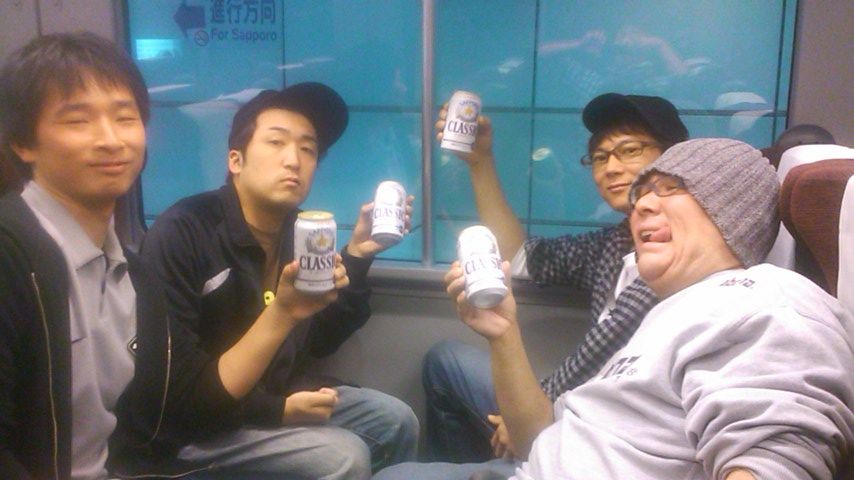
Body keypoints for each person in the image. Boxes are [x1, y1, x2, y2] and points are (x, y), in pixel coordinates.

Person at [378, 138, 854, 480]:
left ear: (729, 208)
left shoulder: (767, 300)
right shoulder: (657, 291)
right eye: (642, 192)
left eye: (671, 187)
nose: (641, 203)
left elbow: (775, 457)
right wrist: (503, 331)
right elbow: (545, 440)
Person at [0, 32, 350, 479]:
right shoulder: (15, 255)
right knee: (341, 457)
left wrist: (299, 301)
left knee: (386, 421)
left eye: (125, 118)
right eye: (78, 120)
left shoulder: (131, 275)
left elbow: (175, 405)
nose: (110, 139)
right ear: (23, 142)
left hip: (141, 461)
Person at [139, 83, 418, 477]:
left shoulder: (300, 231)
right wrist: (276, 411)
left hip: (273, 393)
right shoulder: (184, 233)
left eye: (308, 149)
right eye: (276, 142)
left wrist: (357, 253)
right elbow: (176, 396)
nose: (294, 160)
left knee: (396, 419)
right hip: (192, 430)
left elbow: (320, 338)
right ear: (235, 160)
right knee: (346, 455)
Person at [423, 93, 688, 463]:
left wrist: (536, 410)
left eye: (629, 150)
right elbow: (522, 258)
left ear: (675, 158)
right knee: (445, 359)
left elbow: (602, 354)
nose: (611, 168)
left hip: (606, 437)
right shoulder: (616, 243)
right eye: (600, 157)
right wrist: (480, 161)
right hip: (573, 406)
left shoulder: (689, 258)